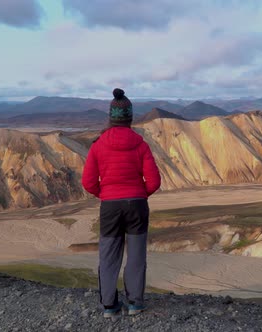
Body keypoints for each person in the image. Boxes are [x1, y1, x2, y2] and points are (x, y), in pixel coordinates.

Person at [82, 88, 161, 318]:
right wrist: (139, 194)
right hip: (137, 205)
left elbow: (88, 182)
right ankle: (135, 304)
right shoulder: (141, 144)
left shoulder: (98, 145)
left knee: (108, 256)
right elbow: (154, 181)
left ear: (111, 117)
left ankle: (109, 306)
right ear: (130, 118)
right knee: (136, 256)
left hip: (110, 207)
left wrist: (105, 194)